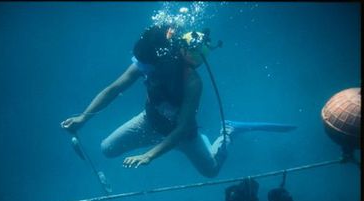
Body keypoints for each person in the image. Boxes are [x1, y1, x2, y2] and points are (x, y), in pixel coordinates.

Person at [61, 25, 294, 178]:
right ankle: (166, 144)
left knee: (210, 171)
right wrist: (84, 116)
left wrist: (149, 155)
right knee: (107, 149)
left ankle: (228, 131)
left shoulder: (192, 82)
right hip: (150, 123)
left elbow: (182, 128)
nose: (143, 69)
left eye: (147, 65)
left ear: (166, 59)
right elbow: (114, 89)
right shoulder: (149, 62)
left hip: (183, 135)